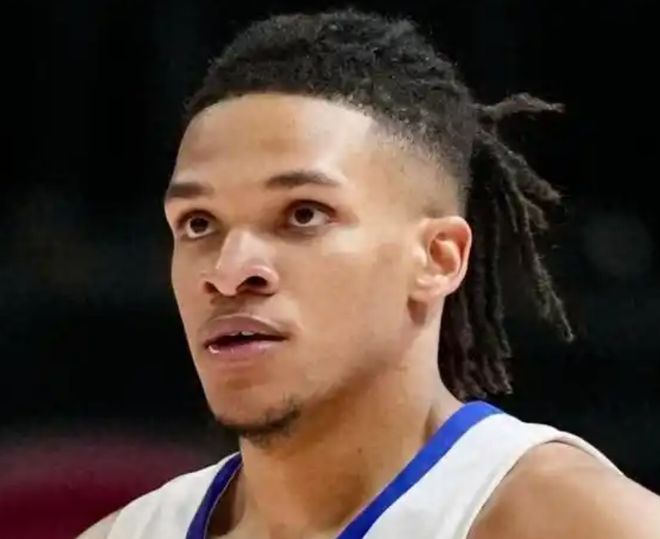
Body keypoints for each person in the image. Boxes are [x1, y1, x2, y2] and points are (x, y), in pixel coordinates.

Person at [79, 8, 660, 539]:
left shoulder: (576, 521)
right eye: (199, 223)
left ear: (438, 259)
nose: (229, 273)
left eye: (303, 214)